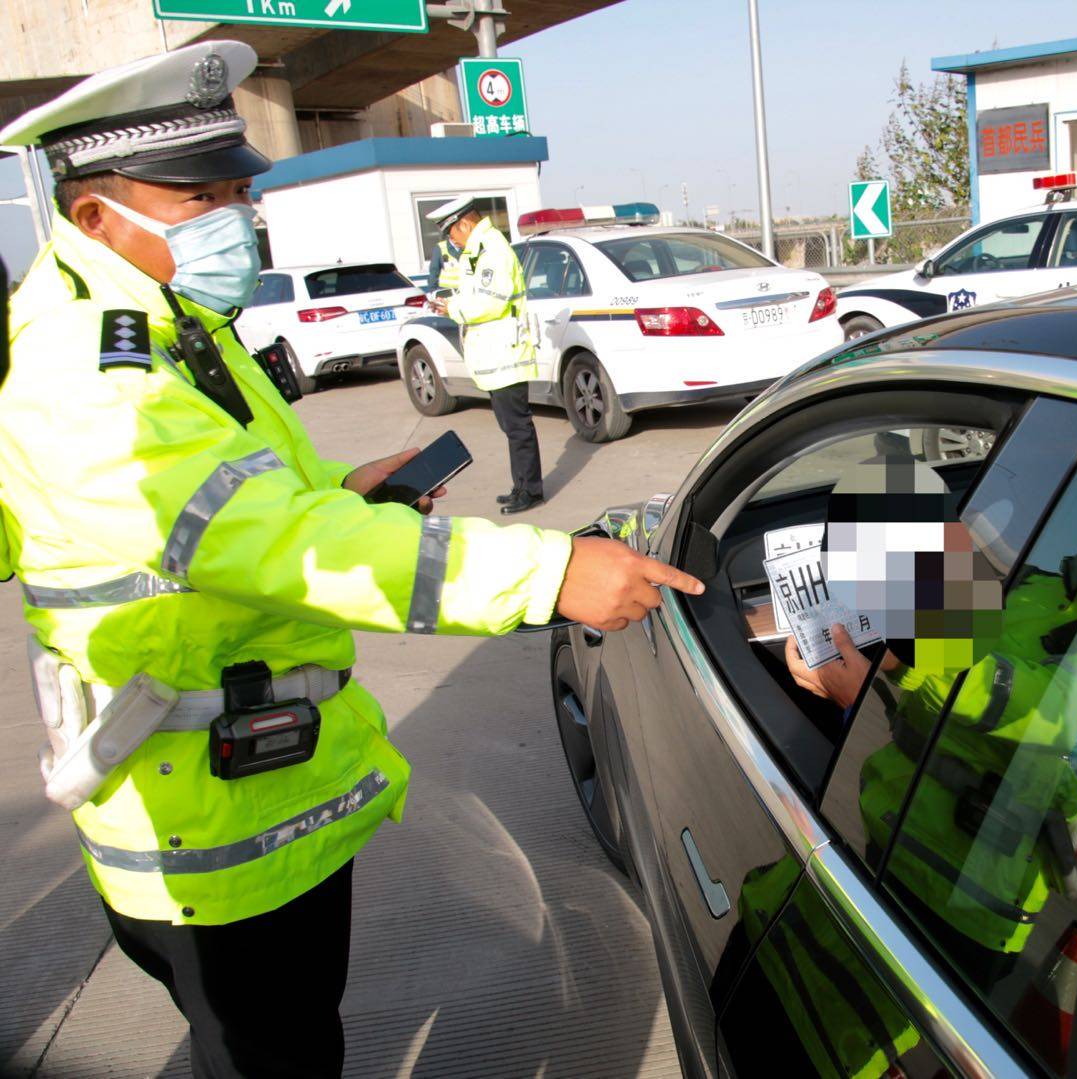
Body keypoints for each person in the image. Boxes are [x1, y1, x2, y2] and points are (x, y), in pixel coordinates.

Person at [0, 41, 701, 1078]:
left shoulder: (168, 322)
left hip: (248, 793)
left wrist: (341, 489)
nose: (237, 216)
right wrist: (548, 574)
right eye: (205, 198)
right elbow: (279, 545)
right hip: (206, 829)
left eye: (240, 187)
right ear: (98, 214)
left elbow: (242, 509)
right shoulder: (90, 375)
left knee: (289, 1039)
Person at [786, 466, 1077, 983]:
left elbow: (1024, 709)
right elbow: (943, 657)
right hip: (892, 834)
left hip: (963, 900)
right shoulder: (1039, 589)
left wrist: (901, 660)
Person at [427, 195, 543, 515]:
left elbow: (491, 304)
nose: (451, 239)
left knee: (518, 428)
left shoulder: (493, 250)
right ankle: (521, 485)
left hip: (505, 356)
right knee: (511, 428)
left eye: (452, 232)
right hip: (494, 357)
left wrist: (453, 309)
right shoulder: (477, 252)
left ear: (465, 223)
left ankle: (531, 491)